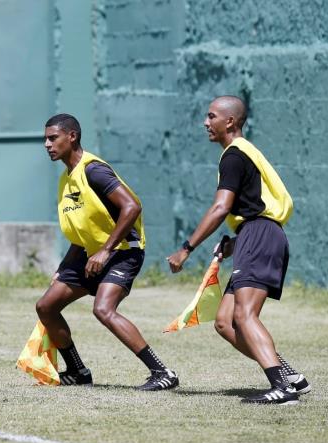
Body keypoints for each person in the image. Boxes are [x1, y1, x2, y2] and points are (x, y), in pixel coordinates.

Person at [166, 95, 310, 405]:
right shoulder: (244, 152)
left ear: (230, 121)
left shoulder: (233, 155)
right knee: (225, 320)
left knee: (244, 315)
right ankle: (290, 377)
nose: (206, 122)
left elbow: (220, 208)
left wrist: (186, 248)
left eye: (212, 116)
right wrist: (237, 240)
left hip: (259, 234)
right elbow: (251, 205)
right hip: (255, 234)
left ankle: (281, 389)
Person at [36, 113, 179, 391]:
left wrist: (105, 250)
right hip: (91, 253)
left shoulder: (94, 170)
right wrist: (63, 267)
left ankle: (162, 372)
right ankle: (77, 371)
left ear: (72, 136)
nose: (47, 144)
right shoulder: (67, 179)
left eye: (53, 138)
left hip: (123, 250)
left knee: (103, 309)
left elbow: (131, 207)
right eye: (45, 139)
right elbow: (83, 232)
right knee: (46, 306)